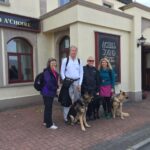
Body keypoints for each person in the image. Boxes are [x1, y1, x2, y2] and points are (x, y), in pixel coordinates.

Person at [60, 45, 83, 123]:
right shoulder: (65, 60)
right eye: (72, 50)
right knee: (67, 100)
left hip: (77, 82)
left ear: (76, 52)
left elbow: (81, 73)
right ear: (70, 51)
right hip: (68, 82)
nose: (74, 52)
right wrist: (65, 80)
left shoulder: (79, 61)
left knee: (77, 100)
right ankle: (66, 117)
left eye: (75, 51)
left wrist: (80, 84)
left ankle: (76, 117)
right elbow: (62, 72)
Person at [41, 58, 59, 129]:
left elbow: (54, 82)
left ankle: (46, 121)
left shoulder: (54, 72)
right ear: (49, 64)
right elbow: (49, 83)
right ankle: (49, 124)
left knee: (47, 107)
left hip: (50, 92)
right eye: (52, 63)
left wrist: (57, 86)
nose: (54, 64)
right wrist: (56, 88)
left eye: (55, 63)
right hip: (47, 92)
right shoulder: (47, 72)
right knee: (49, 108)